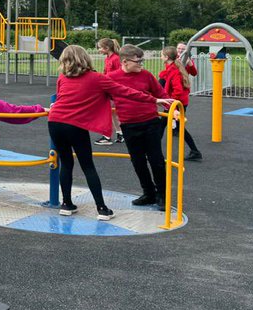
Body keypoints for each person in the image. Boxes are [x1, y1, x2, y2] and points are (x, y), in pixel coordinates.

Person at [48, 44, 171, 220]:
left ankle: (66, 204)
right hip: (75, 124)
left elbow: (61, 98)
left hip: (55, 122)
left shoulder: (62, 78)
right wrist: (154, 99)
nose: (141, 63)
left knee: (66, 163)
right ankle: (101, 208)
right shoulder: (97, 78)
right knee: (88, 165)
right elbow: (125, 92)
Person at [109, 45, 170, 208]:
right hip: (129, 125)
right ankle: (148, 193)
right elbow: (100, 95)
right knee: (138, 161)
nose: (142, 64)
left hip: (150, 122)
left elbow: (161, 94)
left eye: (142, 60)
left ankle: (162, 195)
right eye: (138, 61)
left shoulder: (146, 76)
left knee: (156, 160)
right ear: (125, 62)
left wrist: (173, 110)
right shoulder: (112, 78)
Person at [161, 45, 203, 162]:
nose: (180, 51)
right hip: (179, 101)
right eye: (178, 49)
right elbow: (166, 78)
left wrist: (171, 104)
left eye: (182, 49)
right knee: (176, 127)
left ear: (166, 57)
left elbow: (178, 90)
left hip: (177, 102)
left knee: (161, 126)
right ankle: (195, 151)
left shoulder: (176, 68)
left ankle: (153, 152)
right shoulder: (173, 66)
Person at [95, 37, 124, 145]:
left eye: (100, 48)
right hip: (109, 89)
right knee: (113, 113)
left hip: (113, 89)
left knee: (107, 111)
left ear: (107, 48)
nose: (99, 50)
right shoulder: (107, 58)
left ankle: (107, 136)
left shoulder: (116, 58)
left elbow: (119, 74)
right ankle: (120, 133)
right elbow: (106, 72)